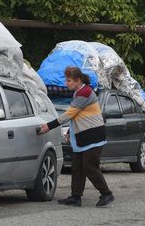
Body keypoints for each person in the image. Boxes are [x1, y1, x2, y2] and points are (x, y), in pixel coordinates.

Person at [39, 66, 114, 207]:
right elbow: (79, 116)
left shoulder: (85, 93)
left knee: (90, 167)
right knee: (78, 168)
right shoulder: (79, 92)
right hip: (84, 137)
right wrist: (69, 132)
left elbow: (69, 114)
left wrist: (48, 126)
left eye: (69, 81)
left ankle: (107, 194)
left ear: (78, 80)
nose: (66, 83)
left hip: (93, 137)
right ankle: (75, 197)